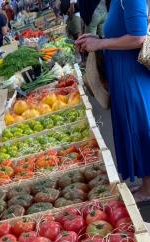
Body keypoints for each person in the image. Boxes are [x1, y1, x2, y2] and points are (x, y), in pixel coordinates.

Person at [76, 0, 150, 202]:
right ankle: (146, 183)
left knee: (140, 124)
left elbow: (138, 37)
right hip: (123, 71)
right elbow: (122, 32)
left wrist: (100, 43)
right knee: (134, 124)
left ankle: (149, 188)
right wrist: (97, 38)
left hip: (131, 73)